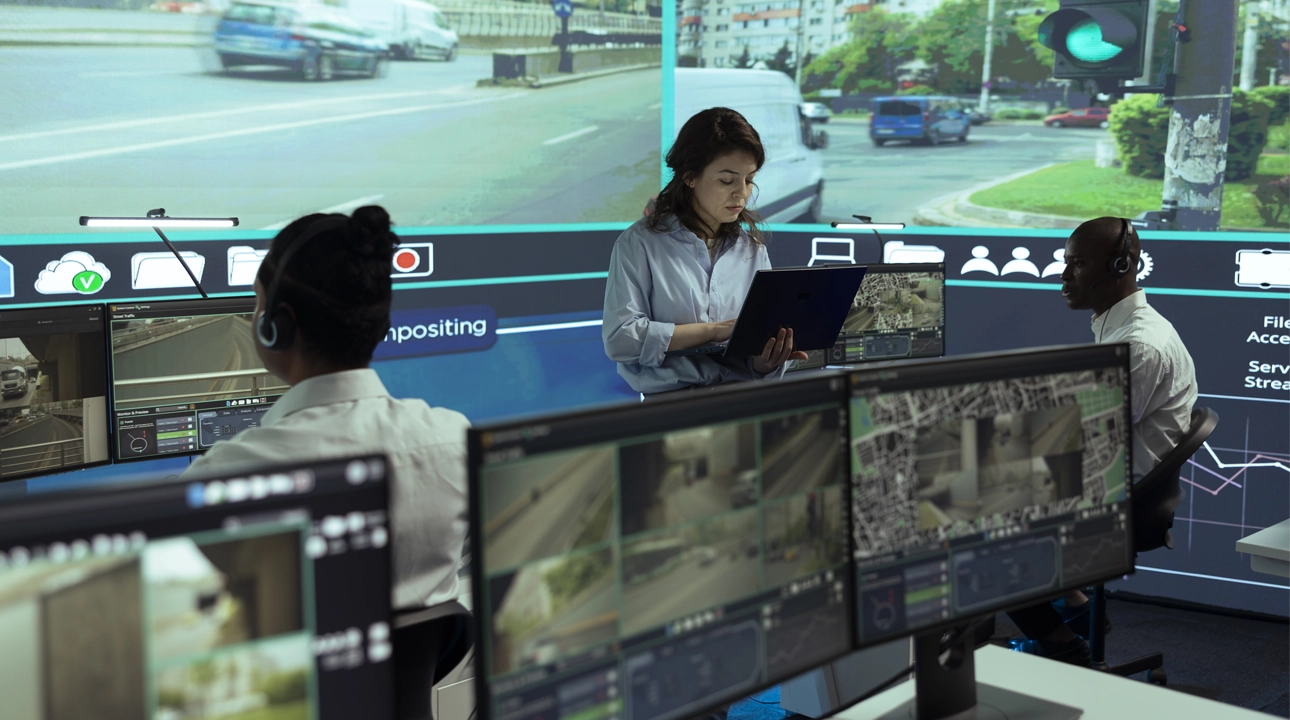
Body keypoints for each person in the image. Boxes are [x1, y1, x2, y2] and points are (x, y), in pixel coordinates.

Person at [182, 206, 471, 610]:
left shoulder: (225, 476)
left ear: (275, 325)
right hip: (425, 673)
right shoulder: (455, 440)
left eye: (256, 303)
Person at [1007, 216, 1198, 664]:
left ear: (1120, 265)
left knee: (968, 523)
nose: (1063, 276)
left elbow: (1082, 439)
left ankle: (1063, 646)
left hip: (1121, 501)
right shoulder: (1122, 330)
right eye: (1065, 263)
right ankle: (1075, 608)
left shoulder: (1138, 346)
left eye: (1077, 265)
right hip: (1119, 481)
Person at [602, 107, 807, 396]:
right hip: (672, 411)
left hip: (743, 403)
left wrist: (765, 362)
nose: (742, 193)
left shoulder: (752, 250)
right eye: (727, 180)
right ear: (689, 177)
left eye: (749, 179)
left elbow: (755, 361)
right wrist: (714, 331)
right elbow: (620, 339)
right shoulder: (639, 244)